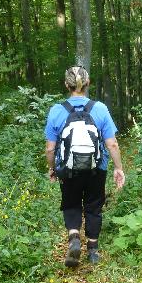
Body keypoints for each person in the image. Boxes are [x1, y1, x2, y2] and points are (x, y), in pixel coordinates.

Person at [44, 65, 125, 266]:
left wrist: (53, 168)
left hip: (68, 169)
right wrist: (118, 168)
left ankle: (73, 238)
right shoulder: (100, 109)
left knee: (71, 203)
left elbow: (50, 148)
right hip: (96, 168)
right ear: (87, 83)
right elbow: (112, 143)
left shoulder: (56, 110)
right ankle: (93, 251)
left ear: (66, 85)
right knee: (94, 206)